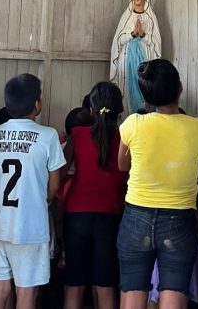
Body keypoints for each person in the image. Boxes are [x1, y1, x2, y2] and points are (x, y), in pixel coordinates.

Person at [117, 59, 198, 309]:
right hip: (180, 220)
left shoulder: (132, 124)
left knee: (132, 291)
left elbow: (122, 165)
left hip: (136, 217)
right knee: (174, 291)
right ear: (179, 88)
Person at [0, 74, 66, 309]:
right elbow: (55, 185)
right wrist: (40, 202)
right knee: (26, 292)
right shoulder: (48, 136)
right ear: (37, 105)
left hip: (1, 225)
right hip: (32, 227)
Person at [63, 82, 128, 309]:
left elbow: (60, 174)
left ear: (90, 110)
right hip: (110, 217)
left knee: (74, 284)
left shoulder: (77, 135)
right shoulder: (126, 139)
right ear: (120, 110)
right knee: (105, 285)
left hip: (76, 217)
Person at [111, 0, 162, 113]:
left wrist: (143, 35)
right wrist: (132, 34)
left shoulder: (151, 18)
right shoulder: (126, 17)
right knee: (128, 91)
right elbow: (118, 41)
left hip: (146, 58)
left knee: (145, 88)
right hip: (127, 60)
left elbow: (156, 43)